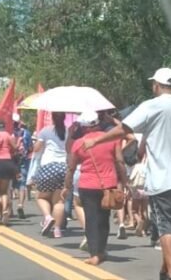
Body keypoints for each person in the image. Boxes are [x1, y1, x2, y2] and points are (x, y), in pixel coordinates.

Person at [78, 67, 171, 280]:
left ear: (156, 85)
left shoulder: (151, 106)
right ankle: (165, 270)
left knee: (166, 226)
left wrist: (96, 140)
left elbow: (124, 129)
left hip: (162, 177)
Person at [65, 109, 129, 266]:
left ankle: (94, 254)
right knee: (104, 218)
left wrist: (66, 187)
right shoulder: (111, 140)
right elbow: (120, 162)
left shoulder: (79, 143)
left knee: (91, 219)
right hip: (108, 184)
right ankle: (101, 250)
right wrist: (125, 182)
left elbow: (71, 167)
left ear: (84, 126)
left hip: (87, 185)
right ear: (98, 123)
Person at [32, 112, 69, 238]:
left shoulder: (45, 131)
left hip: (48, 166)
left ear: (52, 118)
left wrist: (36, 141)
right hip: (64, 167)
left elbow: (37, 148)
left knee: (41, 197)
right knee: (59, 201)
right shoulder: (69, 132)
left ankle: (47, 217)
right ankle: (57, 229)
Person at [12, 116, 32, 219]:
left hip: (10, 161)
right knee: (22, 183)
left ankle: (9, 208)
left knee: (10, 184)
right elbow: (30, 148)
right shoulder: (26, 133)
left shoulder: (7, 133)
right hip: (23, 160)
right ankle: (20, 205)